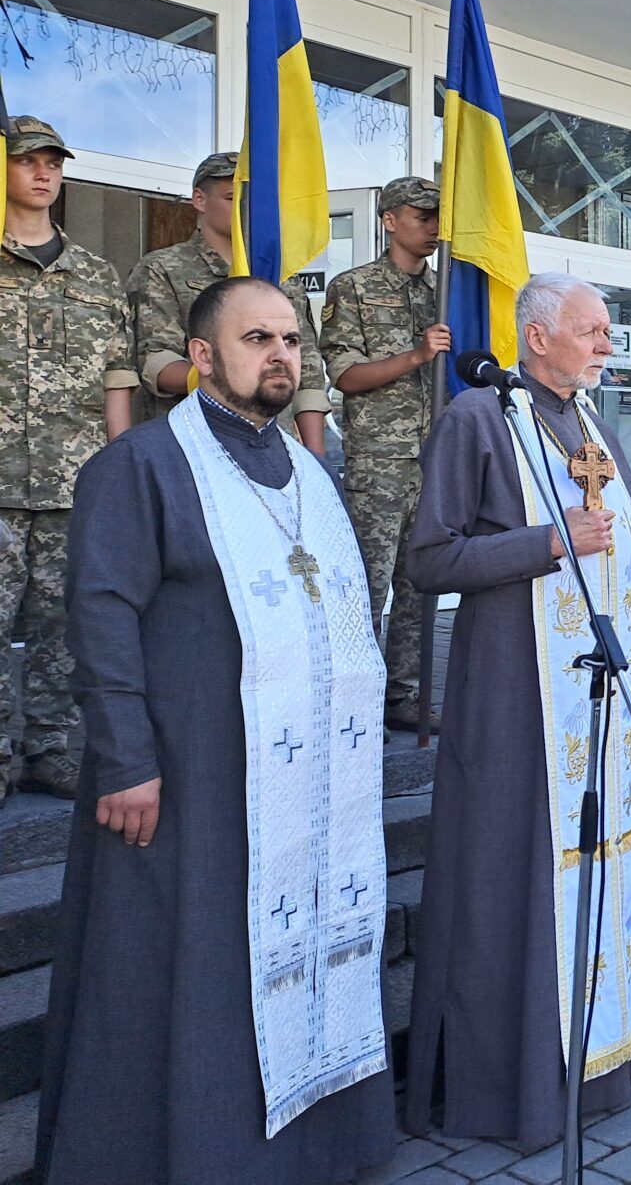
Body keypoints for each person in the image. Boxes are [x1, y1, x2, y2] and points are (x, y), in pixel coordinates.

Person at [38, 276, 392, 1184]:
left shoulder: (309, 473)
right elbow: (101, 615)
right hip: (184, 776)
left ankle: (309, 1155)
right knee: (184, 974)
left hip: (299, 784)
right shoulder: (142, 465)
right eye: (257, 338)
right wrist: (125, 761)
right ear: (201, 356)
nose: (281, 355)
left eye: (291, 340)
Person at [404, 273, 631, 1146]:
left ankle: (604, 1057)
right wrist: (549, 542)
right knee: (514, 875)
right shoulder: (477, 419)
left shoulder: (594, 426)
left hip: (597, 697)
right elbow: (430, 561)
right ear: (537, 335)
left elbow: (628, 561)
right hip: (517, 695)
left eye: (607, 332)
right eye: (593, 330)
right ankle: (513, 1083)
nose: (607, 345)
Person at [0, 117, 135, 806]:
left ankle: (50, 749)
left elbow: (117, 381)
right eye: (28, 160)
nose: (44, 173)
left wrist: (117, 473)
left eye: (53, 162)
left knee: (63, 625)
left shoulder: (96, 276)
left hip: (72, 482)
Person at [320, 176, 447, 733]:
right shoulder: (354, 287)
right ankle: (356, 698)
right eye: (422, 216)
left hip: (433, 458)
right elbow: (345, 376)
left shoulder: (448, 291)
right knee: (367, 587)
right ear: (390, 220)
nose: (434, 228)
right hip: (379, 462)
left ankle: (405, 696)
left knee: (421, 585)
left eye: (438, 217)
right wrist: (416, 356)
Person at [125, 151, 331, 449]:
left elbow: (307, 371)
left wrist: (314, 454)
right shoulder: (163, 268)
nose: (244, 208)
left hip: (275, 441)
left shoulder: (280, 275)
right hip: (197, 439)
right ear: (200, 200)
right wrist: (237, 379)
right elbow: (155, 363)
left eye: (253, 199)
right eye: (232, 198)